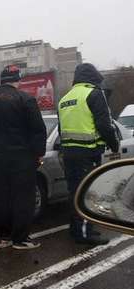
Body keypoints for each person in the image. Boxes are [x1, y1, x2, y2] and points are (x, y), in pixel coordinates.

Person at [0, 65, 47, 250]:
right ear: (18, 80)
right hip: (21, 158)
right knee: (23, 197)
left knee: (1, 196)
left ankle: (4, 235)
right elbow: (38, 130)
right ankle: (20, 238)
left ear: (2, 80)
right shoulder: (26, 99)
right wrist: (38, 154)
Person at [58, 63, 120, 245]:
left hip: (69, 154)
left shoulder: (65, 99)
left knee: (75, 192)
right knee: (87, 193)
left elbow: (62, 129)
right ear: (93, 77)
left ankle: (75, 228)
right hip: (88, 153)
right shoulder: (94, 93)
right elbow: (104, 124)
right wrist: (114, 144)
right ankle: (84, 233)